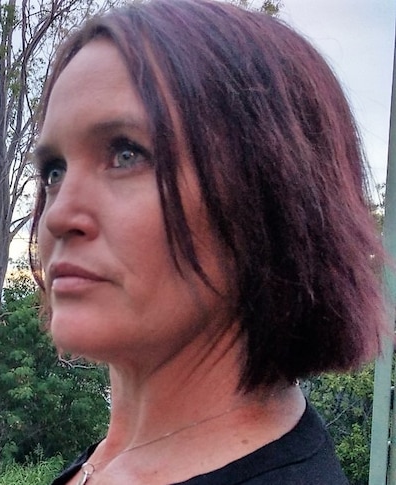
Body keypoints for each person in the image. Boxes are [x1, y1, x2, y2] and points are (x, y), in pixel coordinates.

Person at [28, 0, 388, 483]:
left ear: (273, 194)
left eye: (127, 153)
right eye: (54, 170)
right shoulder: (112, 464)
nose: (59, 215)